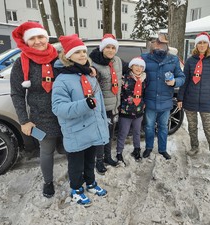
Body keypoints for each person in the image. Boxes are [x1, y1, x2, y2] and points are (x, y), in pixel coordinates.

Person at [52, 34, 108, 206]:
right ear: (67, 56)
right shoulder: (62, 80)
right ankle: (76, 189)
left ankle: (90, 183)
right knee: (76, 165)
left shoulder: (89, 75)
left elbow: (100, 104)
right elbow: (58, 108)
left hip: (92, 128)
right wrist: (85, 104)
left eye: (84, 51)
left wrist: (103, 121)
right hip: (76, 132)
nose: (83, 55)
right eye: (77, 52)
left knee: (90, 160)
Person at [10, 22, 63, 198]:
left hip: (65, 115)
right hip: (41, 118)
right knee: (46, 152)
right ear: (26, 41)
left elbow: (79, 68)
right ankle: (48, 182)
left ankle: (75, 175)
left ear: (46, 38)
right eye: (32, 38)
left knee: (68, 149)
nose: (38, 41)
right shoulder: (21, 62)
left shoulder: (60, 58)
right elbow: (17, 94)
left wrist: (90, 69)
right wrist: (24, 120)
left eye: (40, 37)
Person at [177, 32, 210, 163]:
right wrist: (180, 98)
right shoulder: (190, 61)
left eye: (204, 42)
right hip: (190, 98)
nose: (202, 45)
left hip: (207, 100)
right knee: (192, 126)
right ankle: (194, 147)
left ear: (208, 44)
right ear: (196, 45)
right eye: (199, 43)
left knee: (208, 127)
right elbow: (185, 81)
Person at [141, 33, 185, 160]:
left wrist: (175, 82)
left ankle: (162, 149)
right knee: (149, 127)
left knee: (163, 127)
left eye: (163, 43)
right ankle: (148, 148)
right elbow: (133, 69)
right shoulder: (144, 58)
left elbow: (182, 77)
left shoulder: (173, 59)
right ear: (153, 44)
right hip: (150, 100)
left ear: (167, 45)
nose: (160, 45)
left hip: (166, 101)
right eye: (158, 42)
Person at [89, 34, 129, 174]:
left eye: (113, 47)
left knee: (109, 134)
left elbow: (130, 68)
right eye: (108, 47)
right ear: (102, 48)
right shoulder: (94, 63)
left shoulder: (117, 60)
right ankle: (99, 161)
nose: (111, 50)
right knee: (101, 135)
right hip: (100, 107)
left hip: (114, 105)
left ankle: (108, 157)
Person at [116, 57, 146, 164]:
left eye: (141, 66)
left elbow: (145, 94)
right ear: (131, 66)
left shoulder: (144, 79)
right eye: (136, 65)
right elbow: (119, 94)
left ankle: (136, 150)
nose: (138, 68)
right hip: (126, 112)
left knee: (137, 132)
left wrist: (143, 105)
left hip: (139, 111)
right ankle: (119, 152)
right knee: (123, 133)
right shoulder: (124, 78)